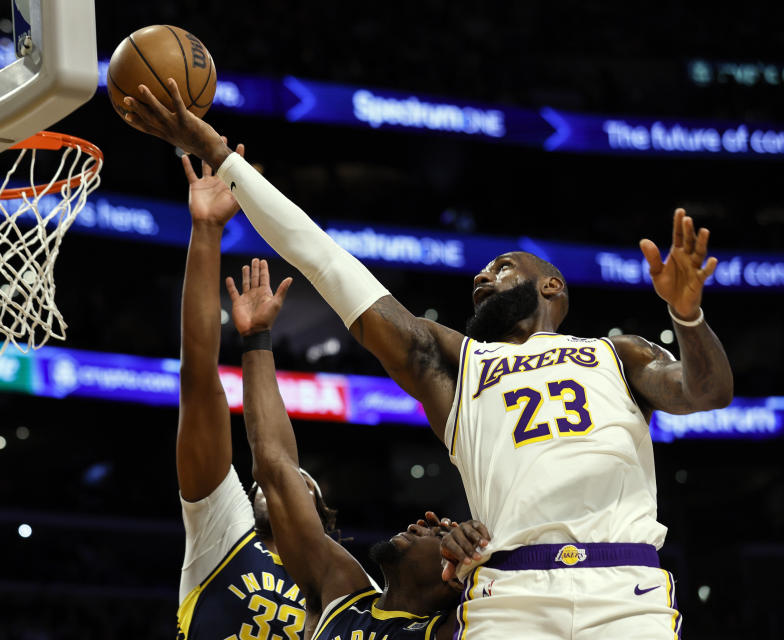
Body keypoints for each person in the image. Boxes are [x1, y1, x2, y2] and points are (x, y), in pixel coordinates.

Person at [126, 80, 733, 638]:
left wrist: (689, 319)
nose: (479, 276)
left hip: (625, 587)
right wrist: (218, 153)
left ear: (552, 287)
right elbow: (327, 262)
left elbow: (706, 393)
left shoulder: (615, 353)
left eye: (500, 267)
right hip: (509, 595)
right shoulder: (453, 366)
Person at [228, 256, 493, 639]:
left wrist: (479, 567)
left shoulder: (454, 629)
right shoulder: (341, 589)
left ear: (453, 577)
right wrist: (256, 340)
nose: (429, 519)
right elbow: (276, 467)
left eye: (441, 533)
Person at [173, 143, 338, 640]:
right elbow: (199, 383)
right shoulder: (224, 528)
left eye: (296, 484)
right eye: (260, 484)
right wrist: (206, 232)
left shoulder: (349, 586)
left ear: (324, 521)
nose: (268, 485)